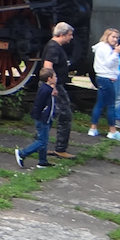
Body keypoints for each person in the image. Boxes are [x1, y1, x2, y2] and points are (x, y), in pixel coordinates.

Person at [43, 22, 77, 159]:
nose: (71, 37)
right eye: (70, 35)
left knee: (49, 117)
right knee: (65, 116)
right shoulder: (53, 48)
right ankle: (60, 148)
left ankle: (42, 146)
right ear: (62, 34)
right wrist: (52, 86)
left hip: (55, 85)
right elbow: (48, 67)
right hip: (55, 86)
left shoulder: (54, 46)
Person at [89, 28, 120, 141]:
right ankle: (112, 131)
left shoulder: (101, 47)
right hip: (107, 78)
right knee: (111, 105)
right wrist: (116, 53)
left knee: (100, 104)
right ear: (107, 36)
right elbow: (108, 63)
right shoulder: (106, 48)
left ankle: (93, 128)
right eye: (113, 37)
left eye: (117, 37)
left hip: (101, 77)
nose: (115, 40)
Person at [15, 67, 57, 169]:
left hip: (45, 118)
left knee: (44, 139)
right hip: (43, 118)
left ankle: (42, 161)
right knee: (42, 141)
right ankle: (22, 153)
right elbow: (39, 105)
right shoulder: (46, 90)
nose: (56, 78)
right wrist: (39, 116)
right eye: (55, 76)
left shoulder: (46, 88)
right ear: (50, 78)